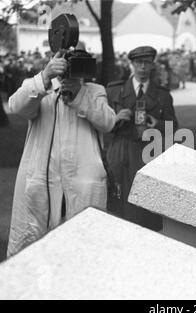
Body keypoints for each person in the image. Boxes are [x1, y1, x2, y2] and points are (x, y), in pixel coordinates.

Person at [7, 50, 116, 257]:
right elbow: (16, 106)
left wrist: (80, 95)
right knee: (38, 250)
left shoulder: (94, 91)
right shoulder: (41, 89)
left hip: (81, 187)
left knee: (82, 250)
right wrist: (44, 77)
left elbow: (108, 123)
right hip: (43, 184)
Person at [106, 46, 178, 232]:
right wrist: (115, 119)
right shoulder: (115, 91)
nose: (143, 68)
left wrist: (159, 124)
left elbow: (174, 128)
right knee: (119, 201)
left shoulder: (162, 95)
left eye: (147, 63)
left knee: (146, 206)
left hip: (149, 153)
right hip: (121, 151)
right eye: (139, 63)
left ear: (152, 65)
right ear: (132, 64)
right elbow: (101, 126)